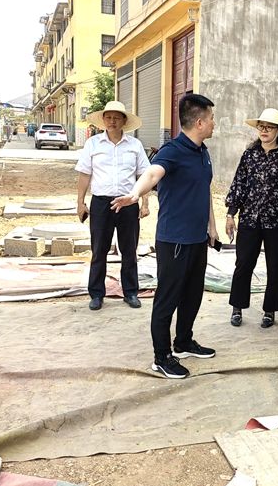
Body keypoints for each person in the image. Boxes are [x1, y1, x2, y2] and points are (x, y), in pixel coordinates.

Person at [111, 93, 220, 379]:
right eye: (211, 119)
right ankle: (161, 356)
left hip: (197, 238)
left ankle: (183, 341)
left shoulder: (202, 151)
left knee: (193, 294)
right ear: (199, 122)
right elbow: (152, 174)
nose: (214, 123)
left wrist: (212, 227)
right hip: (174, 240)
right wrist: (135, 194)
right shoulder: (172, 151)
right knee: (168, 298)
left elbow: (204, 190)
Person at [225, 108, 278, 329]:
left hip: (277, 221)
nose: (264, 131)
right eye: (261, 127)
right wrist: (230, 214)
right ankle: (237, 307)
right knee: (243, 264)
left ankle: (270, 310)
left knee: (275, 266)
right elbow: (239, 184)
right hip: (249, 219)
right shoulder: (249, 155)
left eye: (269, 127)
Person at [75, 101, 150, 311]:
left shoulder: (135, 145)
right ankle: (96, 294)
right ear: (103, 120)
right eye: (108, 117)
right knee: (99, 250)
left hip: (128, 203)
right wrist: (80, 202)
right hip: (101, 204)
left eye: (117, 117)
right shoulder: (93, 144)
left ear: (124, 121)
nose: (112, 121)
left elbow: (144, 175)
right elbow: (84, 174)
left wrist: (145, 202)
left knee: (129, 250)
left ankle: (131, 292)